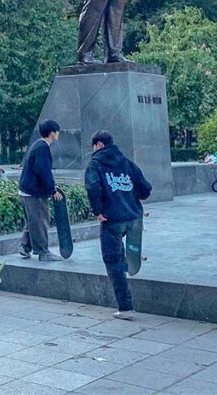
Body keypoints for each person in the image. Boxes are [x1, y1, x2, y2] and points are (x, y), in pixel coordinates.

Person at [84, 131, 152, 320]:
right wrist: (131, 199)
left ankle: (126, 307)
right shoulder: (127, 162)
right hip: (133, 217)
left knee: (113, 260)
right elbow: (146, 189)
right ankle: (127, 267)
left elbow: (92, 187)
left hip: (112, 219)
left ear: (98, 145)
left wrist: (97, 211)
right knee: (123, 257)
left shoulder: (95, 164)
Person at [18, 119, 64, 262]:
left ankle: (25, 246)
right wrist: (52, 189)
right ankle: (43, 252)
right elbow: (43, 171)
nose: (58, 135)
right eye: (57, 132)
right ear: (52, 133)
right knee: (39, 221)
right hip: (34, 192)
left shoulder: (38, 145)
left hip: (28, 190)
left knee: (33, 220)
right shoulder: (42, 147)